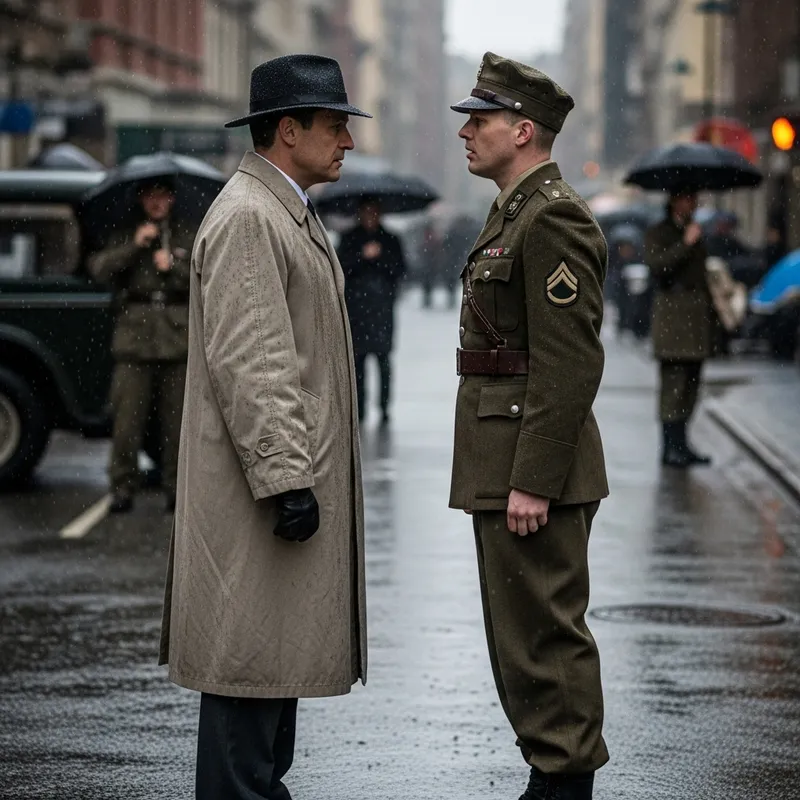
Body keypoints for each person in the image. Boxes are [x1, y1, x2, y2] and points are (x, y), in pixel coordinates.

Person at [158, 55, 371, 800]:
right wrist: (287, 481)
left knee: (263, 692)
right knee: (246, 693)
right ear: (289, 130)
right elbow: (256, 362)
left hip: (270, 494)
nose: (347, 141)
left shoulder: (281, 211)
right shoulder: (252, 216)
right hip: (262, 501)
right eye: (335, 125)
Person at [449, 52, 609, 800]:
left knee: (545, 634)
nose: (467, 133)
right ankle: (550, 771)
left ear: (522, 130)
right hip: (502, 454)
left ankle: (563, 780)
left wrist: (534, 480)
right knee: (518, 637)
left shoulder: (554, 216)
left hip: (530, 465)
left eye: (478, 120)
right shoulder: (513, 207)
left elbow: (569, 364)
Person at [88, 177, 194, 514]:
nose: (157, 202)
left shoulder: (187, 233)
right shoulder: (125, 231)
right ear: (141, 199)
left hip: (177, 339)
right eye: (151, 196)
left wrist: (174, 266)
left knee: (178, 423)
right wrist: (134, 246)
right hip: (134, 338)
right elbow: (100, 269)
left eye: (163, 196)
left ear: (173, 200)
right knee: (126, 421)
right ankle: (122, 487)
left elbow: (206, 276)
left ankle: (177, 489)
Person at [645, 191, 716, 468]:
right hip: (673, 317)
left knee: (692, 384)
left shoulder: (695, 229)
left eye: (695, 199)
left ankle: (683, 444)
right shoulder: (658, 232)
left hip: (697, 318)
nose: (693, 204)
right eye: (688, 198)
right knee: (673, 385)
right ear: (676, 200)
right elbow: (657, 267)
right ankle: (670, 446)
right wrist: (685, 244)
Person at [338, 198, 406, 425]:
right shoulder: (349, 239)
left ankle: (384, 407)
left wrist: (381, 257)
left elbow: (399, 269)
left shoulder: (391, 239)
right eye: (366, 212)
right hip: (356, 310)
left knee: (383, 360)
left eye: (374, 212)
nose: (370, 217)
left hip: (382, 309)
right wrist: (362, 256)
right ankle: (360, 408)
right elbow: (340, 268)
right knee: (357, 362)